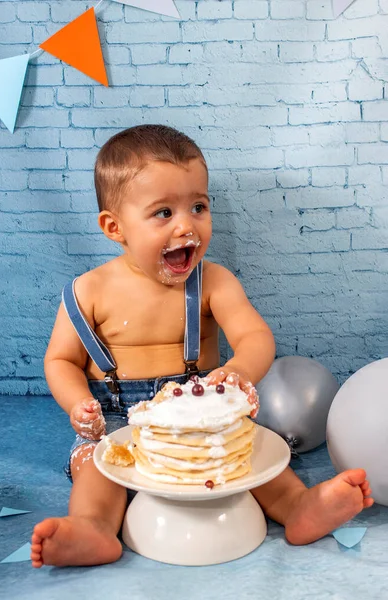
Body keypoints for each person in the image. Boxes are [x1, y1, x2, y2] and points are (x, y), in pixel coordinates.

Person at [30, 125, 374, 568]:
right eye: (163, 213)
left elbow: (254, 336)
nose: (186, 226)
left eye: (198, 206)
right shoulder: (89, 290)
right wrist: (78, 404)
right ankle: (95, 529)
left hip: (205, 420)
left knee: (253, 455)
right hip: (117, 425)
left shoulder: (213, 281)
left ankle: (298, 507)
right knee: (97, 472)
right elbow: (60, 360)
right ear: (114, 227)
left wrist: (238, 372)